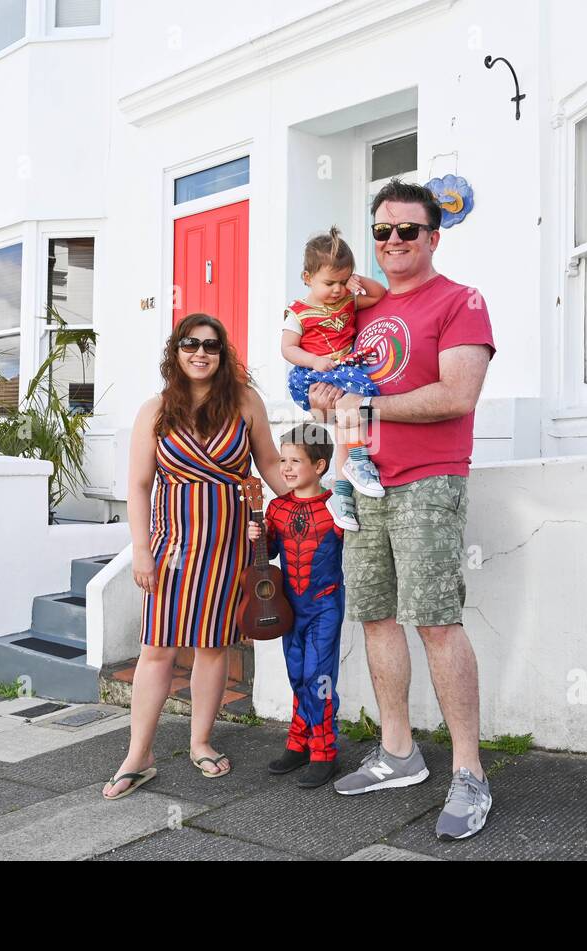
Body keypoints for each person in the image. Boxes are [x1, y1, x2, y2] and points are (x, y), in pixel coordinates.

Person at [310, 179, 496, 840]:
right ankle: (398, 753)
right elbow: (336, 393)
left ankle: (470, 772)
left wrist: (370, 406)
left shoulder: (460, 301)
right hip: (362, 485)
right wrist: (327, 400)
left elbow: (458, 393)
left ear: (433, 235)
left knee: (437, 621)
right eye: (382, 230)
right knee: (377, 616)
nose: (392, 241)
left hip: (427, 481)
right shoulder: (362, 313)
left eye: (407, 231)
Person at [103, 314, 289, 800]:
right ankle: (138, 755)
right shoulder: (156, 410)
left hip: (229, 547)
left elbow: (268, 462)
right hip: (172, 548)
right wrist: (141, 551)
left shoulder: (246, 403)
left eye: (211, 346)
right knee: (157, 648)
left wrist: (308, 500)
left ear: (222, 353)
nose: (201, 353)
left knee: (212, 646)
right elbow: (140, 487)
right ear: (177, 351)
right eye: (191, 344)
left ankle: (200, 741)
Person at [246, 423, 345, 788]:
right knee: (296, 673)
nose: (285, 468)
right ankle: (299, 742)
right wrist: (257, 535)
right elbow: (268, 555)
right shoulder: (276, 508)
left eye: (295, 461)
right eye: (282, 460)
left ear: (319, 467)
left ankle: (325, 751)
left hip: (324, 604)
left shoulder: (335, 506)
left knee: (319, 677)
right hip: (290, 607)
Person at [282, 227, 389, 532]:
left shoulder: (348, 302)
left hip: (344, 371)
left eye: (344, 281)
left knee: (347, 416)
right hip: (314, 373)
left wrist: (360, 282)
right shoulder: (299, 312)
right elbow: (287, 348)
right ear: (307, 278)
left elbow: (378, 294)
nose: (337, 290)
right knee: (353, 408)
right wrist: (314, 360)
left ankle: (342, 495)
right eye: (329, 283)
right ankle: (357, 459)